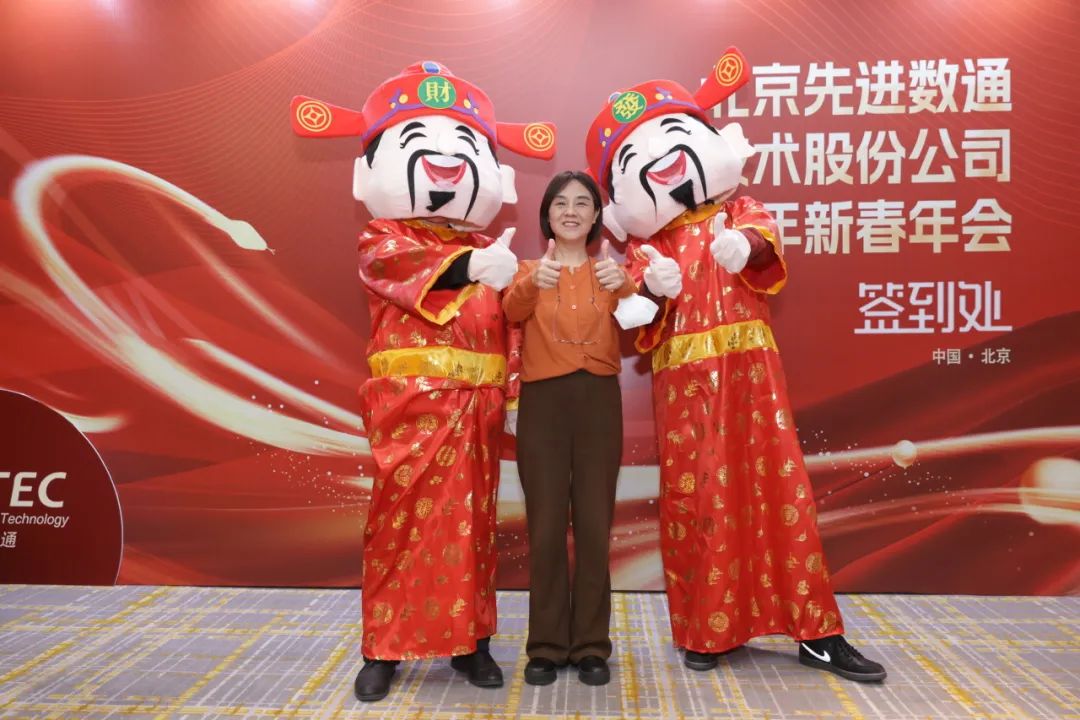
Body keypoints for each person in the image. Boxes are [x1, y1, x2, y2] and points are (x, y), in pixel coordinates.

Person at [583, 48, 886, 682]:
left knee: (779, 492)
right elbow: (634, 316)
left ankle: (816, 632)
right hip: (685, 393)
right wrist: (650, 292)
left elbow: (767, 246)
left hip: (753, 383)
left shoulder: (740, 209)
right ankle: (708, 628)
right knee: (700, 501)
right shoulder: (645, 247)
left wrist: (744, 245)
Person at [290, 60, 557, 702]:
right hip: (411, 406)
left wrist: (514, 392)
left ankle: (472, 643)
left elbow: (515, 325)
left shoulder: (493, 250)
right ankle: (384, 647)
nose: (447, 163)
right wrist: (473, 266)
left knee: (473, 527)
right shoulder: (384, 237)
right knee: (399, 524)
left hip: (477, 410)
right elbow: (397, 268)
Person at [502, 171, 635, 687]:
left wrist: (627, 287)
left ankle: (592, 647)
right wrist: (531, 283)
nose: (572, 211)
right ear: (547, 215)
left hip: (598, 401)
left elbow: (641, 320)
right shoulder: (529, 271)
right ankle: (546, 646)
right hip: (543, 404)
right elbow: (510, 311)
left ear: (597, 216)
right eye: (561, 203)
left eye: (583, 203)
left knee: (596, 525)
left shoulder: (611, 273)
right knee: (546, 525)